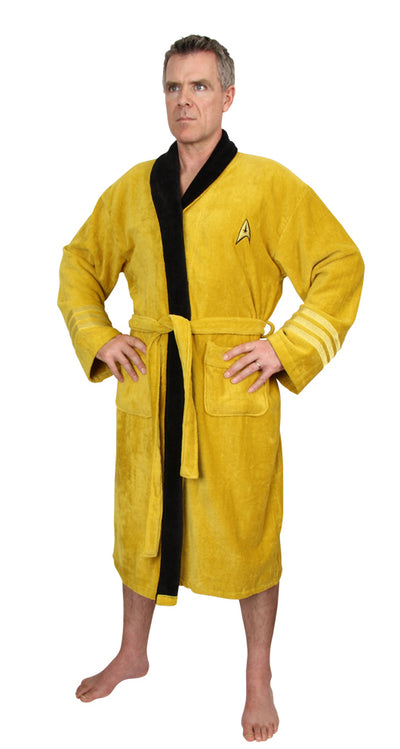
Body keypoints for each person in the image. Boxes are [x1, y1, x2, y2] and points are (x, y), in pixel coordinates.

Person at [58, 34, 364, 742]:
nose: (184, 101)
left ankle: (258, 675)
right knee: (142, 520)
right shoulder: (134, 188)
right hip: (154, 384)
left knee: (248, 531)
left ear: (228, 97)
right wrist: (98, 334)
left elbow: (340, 263)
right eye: (173, 87)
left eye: (199, 87)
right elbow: (79, 264)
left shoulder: (267, 184)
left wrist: (285, 346)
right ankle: (133, 652)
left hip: (231, 388)